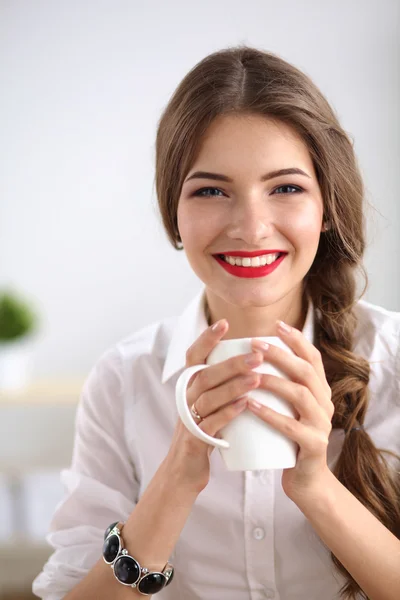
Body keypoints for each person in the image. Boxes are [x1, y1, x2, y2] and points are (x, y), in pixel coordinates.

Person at [33, 45, 400, 600]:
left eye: (285, 188)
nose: (252, 228)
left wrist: (316, 487)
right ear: (172, 212)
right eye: (211, 190)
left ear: (326, 206)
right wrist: (178, 475)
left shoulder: (393, 359)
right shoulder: (124, 378)